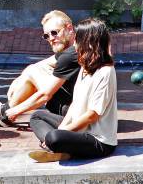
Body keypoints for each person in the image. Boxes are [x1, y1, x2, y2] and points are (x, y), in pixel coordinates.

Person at [29, 18, 117, 162]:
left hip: (99, 140)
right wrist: (63, 127)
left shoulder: (106, 71)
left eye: (77, 40)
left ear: (88, 42)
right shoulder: (85, 67)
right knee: (37, 116)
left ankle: (56, 146)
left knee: (54, 137)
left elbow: (92, 116)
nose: (74, 44)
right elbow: (75, 104)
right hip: (79, 131)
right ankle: (59, 148)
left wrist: (61, 132)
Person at [0, 11, 80, 126]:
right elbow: (44, 64)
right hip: (73, 106)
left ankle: (5, 113)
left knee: (33, 72)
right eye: (46, 36)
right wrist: (22, 76)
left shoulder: (72, 54)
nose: (51, 38)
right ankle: (4, 111)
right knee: (33, 70)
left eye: (54, 32)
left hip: (71, 112)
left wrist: (15, 111)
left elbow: (45, 95)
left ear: (69, 28)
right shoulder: (75, 48)